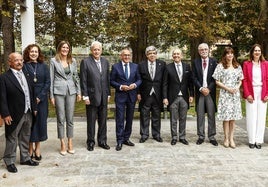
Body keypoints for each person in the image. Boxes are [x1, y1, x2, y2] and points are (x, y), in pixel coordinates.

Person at [0, 53, 39, 173]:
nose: (19, 62)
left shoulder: (26, 75)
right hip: (13, 113)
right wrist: (5, 114)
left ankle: (25, 158)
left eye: (21, 60)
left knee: (25, 136)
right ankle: (9, 161)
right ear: (10, 62)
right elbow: (2, 97)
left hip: (28, 111)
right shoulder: (4, 77)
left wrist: (34, 107)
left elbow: (31, 93)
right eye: (16, 60)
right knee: (12, 138)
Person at [50, 41, 81, 155]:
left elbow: (76, 76)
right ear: (59, 49)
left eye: (67, 48)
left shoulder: (72, 61)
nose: (65, 49)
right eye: (63, 47)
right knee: (61, 118)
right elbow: (51, 78)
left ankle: (70, 142)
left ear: (69, 49)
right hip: (58, 91)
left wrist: (79, 92)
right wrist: (51, 95)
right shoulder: (53, 61)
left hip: (71, 91)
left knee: (70, 118)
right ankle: (62, 142)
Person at [80, 41, 111, 151]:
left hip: (103, 96)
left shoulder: (105, 62)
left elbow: (107, 79)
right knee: (91, 120)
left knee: (103, 120)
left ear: (101, 50)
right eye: (94, 49)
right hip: (92, 96)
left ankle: (102, 141)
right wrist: (85, 96)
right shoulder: (85, 62)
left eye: (98, 49)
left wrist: (108, 94)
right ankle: (91, 142)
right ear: (91, 50)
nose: (96, 51)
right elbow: (83, 80)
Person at [110, 47, 142, 151]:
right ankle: (119, 140)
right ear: (121, 56)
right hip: (120, 96)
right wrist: (120, 86)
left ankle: (126, 138)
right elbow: (111, 81)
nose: (127, 57)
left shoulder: (135, 66)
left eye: (128, 55)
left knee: (129, 118)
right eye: (125, 55)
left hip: (131, 96)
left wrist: (135, 85)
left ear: (130, 56)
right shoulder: (115, 67)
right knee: (119, 119)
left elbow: (139, 80)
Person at [23, 44, 51, 160]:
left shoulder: (44, 66)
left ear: (38, 53)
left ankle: (38, 147)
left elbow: (48, 82)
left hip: (42, 99)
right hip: (29, 97)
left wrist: (40, 96)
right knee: (30, 124)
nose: (34, 53)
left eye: (36, 51)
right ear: (28, 53)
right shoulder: (24, 66)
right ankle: (30, 148)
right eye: (31, 51)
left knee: (40, 123)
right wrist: (32, 98)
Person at [212, 47, 243, 149]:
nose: (230, 55)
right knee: (226, 118)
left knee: (232, 118)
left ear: (233, 55)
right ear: (225, 55)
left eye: (231, 53)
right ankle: (225, 138)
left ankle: (231, 138)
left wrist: (236, 88)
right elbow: (217, 81)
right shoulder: (220, 66)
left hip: (235, 94)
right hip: (225, 94)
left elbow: (240, 80)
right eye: (228, 53)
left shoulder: (237, 66)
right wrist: (228, 88)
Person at [163, 48, 194, 145]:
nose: (176, 55)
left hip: (184, 96)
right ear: (172, 56)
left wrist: (191, 95)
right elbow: (165, 84)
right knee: (173, 119)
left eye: (178, 54)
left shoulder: (187, 67)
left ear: (182, 55)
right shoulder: (168, 67)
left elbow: (190, 82)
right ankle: (174, 138)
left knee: (183, 118)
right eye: (174, 54)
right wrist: (165, 97)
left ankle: (182, 137)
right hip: (173, 97)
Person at [137, 46, 166, 143]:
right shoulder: (141, 65)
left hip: (158, 94)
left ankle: (156, 134)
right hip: (145, 94)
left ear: (156, 54)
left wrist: (164, 96)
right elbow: (138, 80)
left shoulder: (162, 64)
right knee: (144, 115)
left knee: (156, 115)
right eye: (150, 53)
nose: (152, 55)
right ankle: (144, 134)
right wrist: (138, 93)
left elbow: (164, 82)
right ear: (146, 55)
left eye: (154, 53)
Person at [192, 43, 218, 146]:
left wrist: (209, 88)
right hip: (200, 92)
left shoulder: (214, 61)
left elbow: (215, 77)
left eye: (205, 49)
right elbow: (193, 77)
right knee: (200, 115)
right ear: (199, 51)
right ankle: (201, 136)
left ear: (208, 50)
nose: (204, 51)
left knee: (211, 114)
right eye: (201, 50)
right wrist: (201, 88)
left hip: (210, 92)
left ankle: (212, 136)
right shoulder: (195, 62)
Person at [242, 44, 268, 149]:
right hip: (251, 91)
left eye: (259, 50)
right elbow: (244, 80)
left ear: (261, 52)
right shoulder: (246, 64)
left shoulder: (265, 64)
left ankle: (259, 140)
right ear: (252, 52)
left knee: (261, 117)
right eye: (255, 50)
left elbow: (267, 79)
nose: (257, 52)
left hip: (262, 91)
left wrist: (267, 94)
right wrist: (247, 94)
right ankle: (252, 140)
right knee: (251, 116)